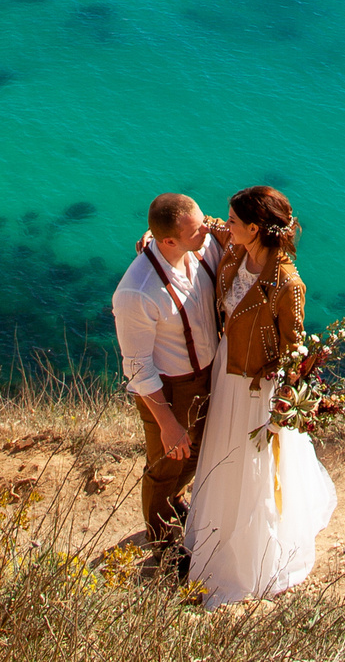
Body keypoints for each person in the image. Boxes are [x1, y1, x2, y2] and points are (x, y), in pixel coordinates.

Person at [182, 185, 337, 608]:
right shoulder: (235, 247)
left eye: (232, 221)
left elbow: (294, 348)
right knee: (222, 456)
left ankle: (249, 555)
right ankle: (215, 527)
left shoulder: (287, 283)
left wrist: (284, 400)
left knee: (249, 466)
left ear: (254, 228)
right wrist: (150, 238)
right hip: (227, 370)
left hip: (254, 388)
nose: (224, 225)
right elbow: (203, 225)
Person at [109, 192, 223, 563]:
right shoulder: (137, 292)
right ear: (168, 241)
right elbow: (138, 367)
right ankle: (162, 544)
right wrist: (167, 423)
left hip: (208, 376)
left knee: (199, 451)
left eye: (203, 221)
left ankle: (177, 502)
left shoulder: (203, 249)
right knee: (165, 465)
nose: (207, 229)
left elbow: (228, 234)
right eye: (197, 228)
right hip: (170, 389)